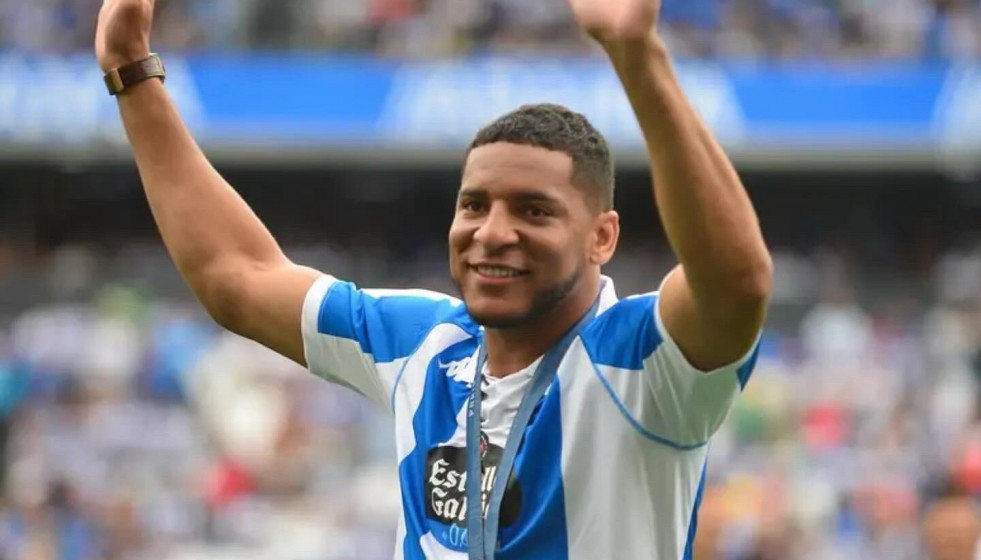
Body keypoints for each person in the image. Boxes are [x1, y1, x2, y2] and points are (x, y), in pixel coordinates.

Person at [93, 0, 772, 557]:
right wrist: (132, 73)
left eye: (533, 211)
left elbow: (735, 283)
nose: (492, 231)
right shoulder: (425, 341)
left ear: (601, 237)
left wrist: (636, 57)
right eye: (474, 204)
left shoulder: (642, 363)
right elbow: (236, 277)